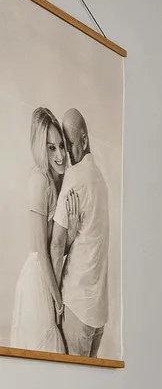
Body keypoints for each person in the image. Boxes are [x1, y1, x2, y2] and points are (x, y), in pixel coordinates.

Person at [8, 108, 66, 353]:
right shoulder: (39, 181)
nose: (61, 155)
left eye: (61, 145)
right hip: (38, 280)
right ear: (40, 148)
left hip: (50, 275)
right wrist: (58, 300)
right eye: (51, 147)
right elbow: (42, 251)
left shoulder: (57, 179)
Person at [51, 108, 108, 357]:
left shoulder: (75, 177)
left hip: (76, 306)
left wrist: (52, 302)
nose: (65, 153)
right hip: (98, 313)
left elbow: (55, 246)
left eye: (69, 143)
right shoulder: (100, 179)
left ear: (84, 140)